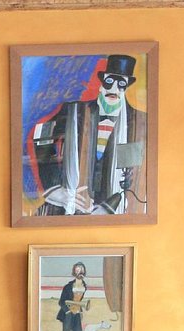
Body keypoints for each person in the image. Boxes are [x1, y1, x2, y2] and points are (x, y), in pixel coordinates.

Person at [33, 54, 147, 216]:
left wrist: (110, 207)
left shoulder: (138, 122)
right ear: (101, 83)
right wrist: (53, 188)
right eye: (109, 81)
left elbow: (135, 173)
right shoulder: (74, 111)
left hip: (116, 214)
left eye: (121, 83)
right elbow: (41, 136)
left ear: (127, 86)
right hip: (67, 210)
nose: (114, 88)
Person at [57, 262, 89, 331]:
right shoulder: (68, 287)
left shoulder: (84, 286)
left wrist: (80, 312)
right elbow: (61, 302)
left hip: (77, 314)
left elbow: (79, 301)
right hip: (68, 314)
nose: (80, 272)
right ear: (74, 272)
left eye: (82, 270)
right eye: (78, 270)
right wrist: (68, 312)